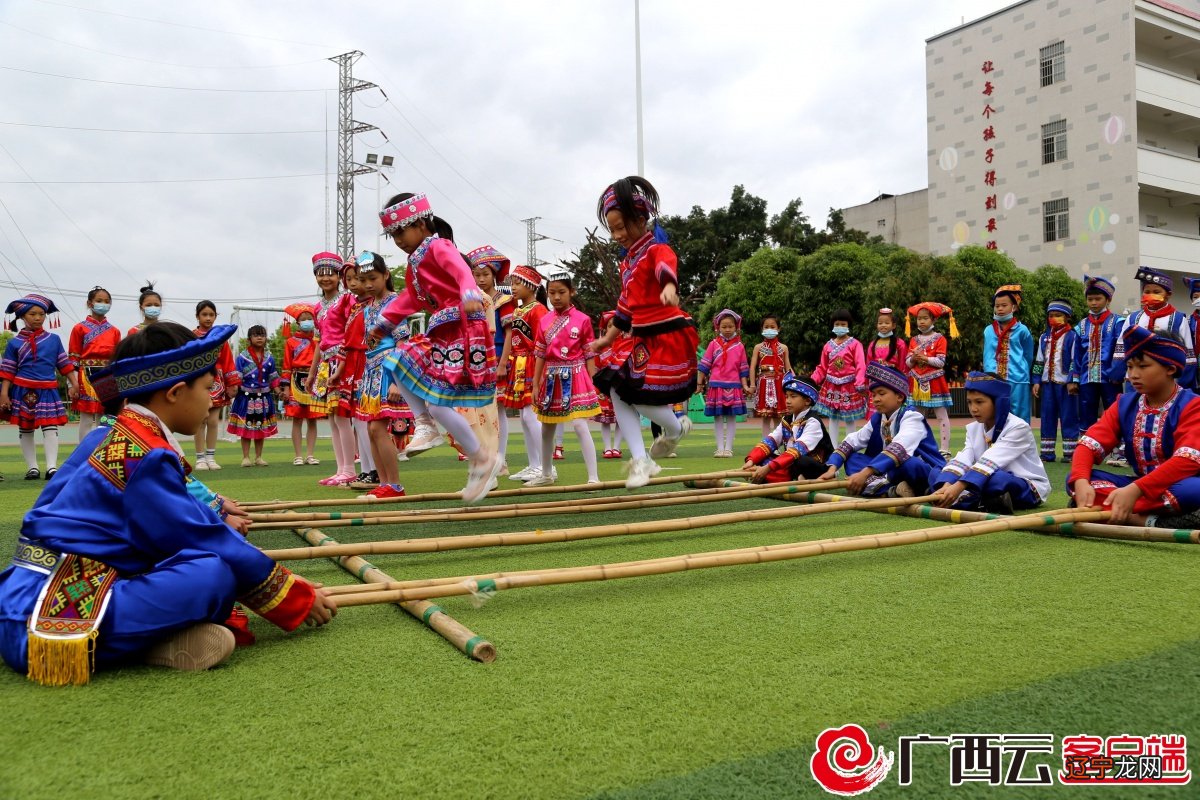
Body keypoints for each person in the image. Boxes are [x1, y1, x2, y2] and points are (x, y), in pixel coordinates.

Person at [0, 321, 335, 685]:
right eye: (208, 388)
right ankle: (144, 643)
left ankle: (153, 638)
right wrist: (292, 593)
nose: (212, 400)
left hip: (17, 596)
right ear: (175, 392)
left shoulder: (106, 434)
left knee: (201, 560)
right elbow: (202, 537)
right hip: (53, 619)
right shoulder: (146, 453)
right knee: (213, 573)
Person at [376, 192, 501, 504]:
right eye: (392, 236)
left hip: (460, 327)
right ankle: (430, 428)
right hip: (441, 333)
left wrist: (469, 290)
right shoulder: (415, 262)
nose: (397, 241)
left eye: (400, 232)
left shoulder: (438, 246)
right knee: (397, 362)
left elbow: (460, 270)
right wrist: (384, 322)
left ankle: (481, 457)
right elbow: (411, 299)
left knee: (437, 399)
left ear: (419, 224)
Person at [589, 176, 698, 488]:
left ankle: (675, 429)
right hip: (642, 337)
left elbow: (667, 268)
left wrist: (668, 287)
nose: (617, 235)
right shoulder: (627, 263)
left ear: (640, 219)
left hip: (667, 334)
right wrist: (608, 338)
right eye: (612, 229)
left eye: (621, 226)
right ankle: (641, 460)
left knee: (640, 397)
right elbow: (626, 306)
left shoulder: (655, 249)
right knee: (618, 391)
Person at [1070, 326, 1200, 528]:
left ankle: (1115, 511)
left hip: (1180, 485)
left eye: (1143, 366)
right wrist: (1080, 482)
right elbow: (1088, 444)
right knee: (1078, 477)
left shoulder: (1193, 406)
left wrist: (1135, 490)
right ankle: (1146, 519)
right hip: (1141, 489)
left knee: (1194, 489)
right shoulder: (1125, 403)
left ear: (1170, 368)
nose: (1133, 375)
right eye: (1129, 367)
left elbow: (1187, 461)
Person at [819, 363, 946, 497]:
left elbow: (899, 448)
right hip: (888, 470)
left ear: (900, 397)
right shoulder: (878, 418)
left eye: (881, 393)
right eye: (873, 395)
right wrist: (832, 467)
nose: (876, 399)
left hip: (918, 469)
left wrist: (864, 474)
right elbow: (853, 440)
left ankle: (881, 488)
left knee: (908, 463)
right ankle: (893, 489)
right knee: (852, 458)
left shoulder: (913, 417)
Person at [930, 371, 1050, 513]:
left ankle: (963, 500)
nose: (973, 408)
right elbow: (965, 458)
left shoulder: (1018, 427)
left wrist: (957, 487)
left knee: (997, 479)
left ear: (998, 401)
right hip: (983, 478)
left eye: (979, 402)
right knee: (937, 472)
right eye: (970, 402)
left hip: (1022, 483)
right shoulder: (974, 428)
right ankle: (987, 502)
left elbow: (992, 459)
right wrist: (947, 483)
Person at [527, 273, 601, 486]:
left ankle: (593, 477)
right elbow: (540, 354)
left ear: (572, 292)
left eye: (561, 292)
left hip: (576, 375)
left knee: (579, 425)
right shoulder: (544, 321)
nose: (556, 297)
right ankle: (546, 475)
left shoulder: (583, 320)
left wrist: (593, 381)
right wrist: (536, 383)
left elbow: (589, 354)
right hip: (550, 378)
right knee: (546, 428)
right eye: (552, 293)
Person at [1, 294, 79, 481]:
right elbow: (8, 371)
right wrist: (4, 393)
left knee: (50, 426)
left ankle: (52, 467)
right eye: (32, 314)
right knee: (25, 428)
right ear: (21, 317)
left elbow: (64, 364)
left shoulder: (54, 340)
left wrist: (75, 383)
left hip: (47, 389)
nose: (38, 318)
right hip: (22, 389)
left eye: (42, 314)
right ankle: (32, 468)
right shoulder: (14, 343)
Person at [355, 251, 412, 500]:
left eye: (373, 278)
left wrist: (398, 380)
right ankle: (385, 482)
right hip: (371, 369)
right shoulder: (369, 306)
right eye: (363, 279)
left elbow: (403, 341)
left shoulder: (393, 302)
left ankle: (395, 484)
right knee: (371, 430)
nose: (368, 284)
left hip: (389, 369)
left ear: (386, 275)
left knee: (378, 429)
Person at [307, 251, 358, 486]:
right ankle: (341, 469)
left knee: (342, 417)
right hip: (327, 364)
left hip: (342, 360)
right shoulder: (318, 308)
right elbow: (318, 341)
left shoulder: (347, 300)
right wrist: (311, 372)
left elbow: (352, 333)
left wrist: (346, 361)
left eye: (330, 274)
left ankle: (349, 468)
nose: (325, 278)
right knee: (332, 418)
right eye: (320, 274)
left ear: (339, 276)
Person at [497, 264, 548, 482]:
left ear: (530, 285)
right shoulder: (518, 311)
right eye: (512, 283)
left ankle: (547, 466)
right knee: (524, 417)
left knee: (530, 415)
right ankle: (535, 464)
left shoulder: (539, 310)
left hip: (532, 364)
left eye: (517, 283)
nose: (513, 288)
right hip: (518, 365)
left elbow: (543, 343)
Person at [467, 245, 515, 476]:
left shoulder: (504, 300)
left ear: (494, 274)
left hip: (496, 360)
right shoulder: (472, 299)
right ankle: (486, 456)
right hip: (477, 362)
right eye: (476, 275)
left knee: (500, 411)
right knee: (480, 411)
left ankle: (501, 458)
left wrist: (503, 363)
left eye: (485, 274)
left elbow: (509, 334)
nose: (481, 279)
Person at [1109, 266, 1197, 389]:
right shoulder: (1133, 318)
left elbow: (1187, 351)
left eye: (1156, 292)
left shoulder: (1178, 319)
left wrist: (1184, 380)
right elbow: (1121, 346)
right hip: (1135, 379)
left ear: (1168, 295)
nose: (1151, 295)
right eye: (1147, 292)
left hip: (1165, 378)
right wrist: (1117, 372)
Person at [1073, 275, 1125, 466]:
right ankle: (1086, 451)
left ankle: (1118, 451)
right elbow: (1076, 354)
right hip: (1087, 377)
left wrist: (1117, 373)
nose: (1093, 303)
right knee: (1086, 413)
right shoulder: (1081, 326)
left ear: (1108, 300)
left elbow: (1121, 350)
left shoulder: (1118, 323)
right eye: (1090, 299)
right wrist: (1074, 378)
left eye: (1098, 299)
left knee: (1114, 413)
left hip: (1110, 378)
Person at [742, 372, 832, 483]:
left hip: (813, 465)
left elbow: (798, 450)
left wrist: (768, 468)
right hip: (792, 463)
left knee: (801, 461)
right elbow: (771, 441)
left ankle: (775, 476)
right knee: (762, 458)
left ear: (807, 401)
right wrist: (751, 460)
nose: (788, 401)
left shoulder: (813, 422)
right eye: (787, 396)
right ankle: (784, 477)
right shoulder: (787, 419)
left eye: (793, 397)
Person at [192, 300, 240, 471]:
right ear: (197, 316)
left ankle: (211, 457)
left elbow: (228, 361)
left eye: (211, 315)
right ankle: (199, 458)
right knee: (200, 420)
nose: (208, 318)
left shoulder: (220, 338)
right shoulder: (190, 337)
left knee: (213, 421)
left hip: (217, 382)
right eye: (204, 314)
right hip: (197, 381)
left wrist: (232, 383)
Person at [905, 301, 958, 456]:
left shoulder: (940, 339)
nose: (921, 321)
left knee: (941, 416)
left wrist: (924, 358)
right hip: (916, 382)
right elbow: (908, 363)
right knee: (917, 417)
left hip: (935, 381)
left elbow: (940, 362)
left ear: (933, 320)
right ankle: (919, 449)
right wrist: (914, 359)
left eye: (925, 318)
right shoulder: (914, 340)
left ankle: (944, 449)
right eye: (919, 318)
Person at [697, 309, 751, 458]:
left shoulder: (740, 346)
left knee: (732, 417)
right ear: (718, 328)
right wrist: (699, 383)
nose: (727, 330)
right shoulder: (713, 344)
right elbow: (704, 365)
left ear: (736, 327)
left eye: (730, 327)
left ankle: (729, 448)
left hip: (734, 385)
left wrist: (745, 385)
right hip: (716, 385)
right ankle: (720, 448)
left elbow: (743, 369)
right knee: (718, 417)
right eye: (724, 327)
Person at [68, 286, 120, 440]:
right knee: (86, 417)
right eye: (99, 301)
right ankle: (83, 454)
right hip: (86, 375)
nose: (103, 304)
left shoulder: (114, 331)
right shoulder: (79, 329)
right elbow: (73, 359)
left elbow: (117, 359)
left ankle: (101, 452)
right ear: (90, 303)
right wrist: (72, 384)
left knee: (105, 416)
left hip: (108, 375)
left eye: (107, 301)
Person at [1032, 300, 1080, 462]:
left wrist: (1073, 380)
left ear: (1067, 317)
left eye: (1058, 315)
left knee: (1069, 416)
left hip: (1065, 383)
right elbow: (1039, 360)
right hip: (1047, 383)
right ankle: (1047, 453)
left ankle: (1070, 453)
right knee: (1047, 416)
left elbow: (1075, 360)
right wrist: (1036, 381)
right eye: (1051, 316)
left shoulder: (1072, 336)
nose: (1054, 318)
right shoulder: (1044, 337)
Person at [811, 308, 867, 447]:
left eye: (843, 324)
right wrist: (811, 381)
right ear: (832, 325)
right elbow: (822, 367)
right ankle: (833, 448)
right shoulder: (828, 346)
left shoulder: (855, 344)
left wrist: (860, 383)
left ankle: (850, 447)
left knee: (850, 418)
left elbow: (861, 364)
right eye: (837, 324)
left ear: (848, 325)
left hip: (849, 385)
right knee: (833, 418)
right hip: (831, 386)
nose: (840, 327)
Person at [227, 325, 281, 466]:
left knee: (260, 427)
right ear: (249, 339)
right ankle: (245, 457)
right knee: (246, 428)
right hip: (245, 397)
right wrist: (233, 391)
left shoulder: (269, 358)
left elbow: (273, 377)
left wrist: (279, 391)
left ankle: (258, 457)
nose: (259, 337)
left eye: (262, 335)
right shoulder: (242, 357)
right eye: (256, 335)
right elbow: (237, 378)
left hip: (264, 397)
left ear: (266, 339)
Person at [281, 303, 328, 466]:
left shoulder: (320, 339)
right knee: (297, 419)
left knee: (313, 420)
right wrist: (285, 387)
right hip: (296, 381)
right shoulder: (291, 342)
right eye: (303, 319)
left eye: (310, 318)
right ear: (297, 322)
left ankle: (310, 454)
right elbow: (286, 366)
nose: (307, 321)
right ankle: (298, 455)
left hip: (315, 379)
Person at [983, 284, 1035, 423]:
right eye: (997, 305)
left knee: (1020, 416)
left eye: (1004, 305)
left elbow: (1028, 355)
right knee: (995, 414)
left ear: (1014, 307)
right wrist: (989, 373)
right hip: (993, 379)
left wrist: (1021, 369)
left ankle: (1021, 444)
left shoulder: (1022, 330)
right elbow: (987, 354)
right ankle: (996, 443)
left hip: (1018, 379)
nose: (999, 309)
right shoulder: (988, 330)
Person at [749, 314, 791, 436]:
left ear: (778, 329)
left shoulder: (783, 348)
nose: (769, 329)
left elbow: (788, 367)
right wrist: (752, 384)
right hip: (763, 383)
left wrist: (793, 384)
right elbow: (752, 367)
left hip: (780, 383)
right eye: (766, 327)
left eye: (772, 327)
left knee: (779, 417)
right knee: (765, 417)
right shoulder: (758, 347)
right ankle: (766, 445)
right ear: (762, 329)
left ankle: (777, 444)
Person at [592, 310, 622, 459]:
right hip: (604, 389)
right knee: (605, 420)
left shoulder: (625, 344)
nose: (613, 329)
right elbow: (595, 370)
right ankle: (607, 447)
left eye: (615, 326)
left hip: (622, 388)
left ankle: (616, 447)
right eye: (609, 326)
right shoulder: (600, 347)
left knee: (621, 420)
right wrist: (596, 388)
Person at [867, 307, 908, 374]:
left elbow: (903, 366)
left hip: (894, 379)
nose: (883, 325)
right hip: (875, 380)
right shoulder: (872, 344)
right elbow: (868, 364)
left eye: (887, 323)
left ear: (893, 325)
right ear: (876, 325)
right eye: (880, 323)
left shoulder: (899, 343)